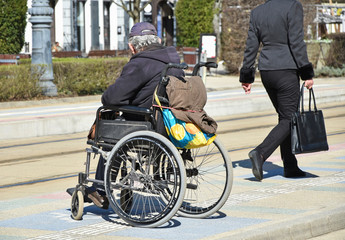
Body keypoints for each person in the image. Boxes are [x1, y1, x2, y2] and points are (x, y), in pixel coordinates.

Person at [87, 22, 184, 208]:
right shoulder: (174, 61)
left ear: (132, 46)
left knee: (109, 127)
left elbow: (111, 98)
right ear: (159, 40)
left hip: (146, 124)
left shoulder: (140, 63)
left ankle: (99, 190)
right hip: (171, 123)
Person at [239, 0, 314, 181]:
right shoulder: (292, 6)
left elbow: (251, 45)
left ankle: (290, 166)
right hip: (286, 70)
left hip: (266, 72)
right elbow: (296, 41)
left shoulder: (258, 12)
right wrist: (306, 72)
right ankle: (261, 153)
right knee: (289, 118)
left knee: (285, 118)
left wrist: (247, 76)